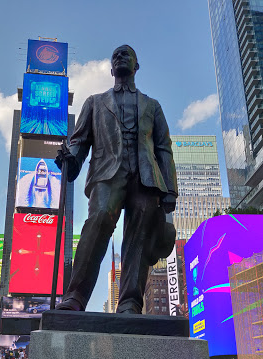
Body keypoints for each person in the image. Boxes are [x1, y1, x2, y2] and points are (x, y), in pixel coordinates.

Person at [54, 45, 177, 314]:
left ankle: (130, 302)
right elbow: (79, 141)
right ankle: (75, 296)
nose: (120, 57)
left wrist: (170, 190)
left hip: (146, 178)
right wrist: (70, 159)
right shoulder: (95, 103)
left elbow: (163, 148)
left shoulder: (152, 106)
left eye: (126, 54)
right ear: (111, 69)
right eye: (115, 56)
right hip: (108, 173)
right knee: (99, 219)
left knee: (140, 231)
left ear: (136, 66)